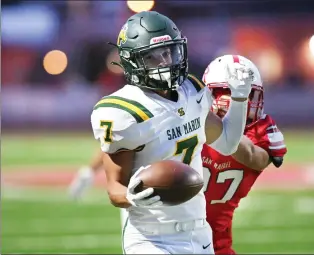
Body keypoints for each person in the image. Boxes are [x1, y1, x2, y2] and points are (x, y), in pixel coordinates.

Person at [90, 11, 253, 254]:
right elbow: (114, 188)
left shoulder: (192, 92)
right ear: (133, 61)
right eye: (154, 56)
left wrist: (240, 99)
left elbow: (228, 144)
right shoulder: (124, 112)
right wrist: (132, 197)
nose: (166, 61)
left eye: (169, 51)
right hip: (151, 238)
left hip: (199, 231)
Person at [202, 54, 288, 254]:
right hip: (172, 236)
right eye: (226, 91)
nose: (244, 100)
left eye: (249, 94)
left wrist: (212, 123)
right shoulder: (189, 119)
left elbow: (253, 158)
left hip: (217, 243)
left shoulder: (262, 130)